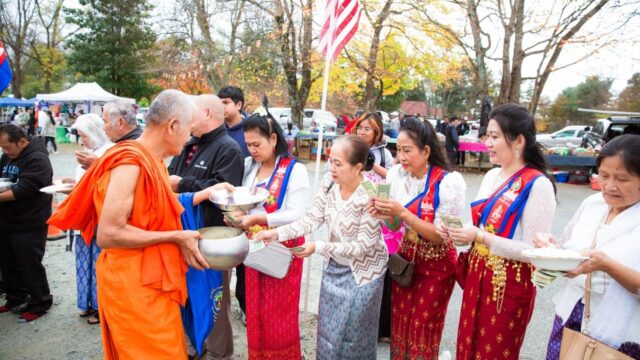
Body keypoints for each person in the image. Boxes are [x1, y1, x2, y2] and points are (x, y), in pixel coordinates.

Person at [48, 90, 209, 359]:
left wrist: (204, 195)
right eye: (188, 130)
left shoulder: (153, 161)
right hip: (133, 284)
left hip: (152, 279)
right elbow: (110, 233)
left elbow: (155, 203)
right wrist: (175, 237)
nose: (189, 138)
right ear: (173, 125)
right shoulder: (130, 162)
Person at [256, 135, 388, 359]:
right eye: (330, 161)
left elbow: (362, 246)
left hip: (364, 274)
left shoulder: (370, 195)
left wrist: (318, 246)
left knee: (354, 337)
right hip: (334, 267)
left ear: (357, 167)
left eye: (338, 164)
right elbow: (312, 219)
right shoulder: (329, 184)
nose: (332, 168)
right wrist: (276, 233)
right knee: (328, 331)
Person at [445, 103, 556, 360]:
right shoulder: (491, 175)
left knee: (494, 352)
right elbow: (480, 227)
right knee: (467, 345)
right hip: (477, 275)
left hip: (508, 286)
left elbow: (533, 252)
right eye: (487, 136)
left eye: (495, 137)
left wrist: (480, 236)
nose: (488, 143)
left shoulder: (538, 185)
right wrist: (461, 232)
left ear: (518, 140)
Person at [370, 119, 466, 358]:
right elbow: (394, 225)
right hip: (406, 264)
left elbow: (440, 236)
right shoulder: (396, 176)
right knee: (401, 327)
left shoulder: (448, 182)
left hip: (437, 267)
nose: (400, 156)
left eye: (407, 150)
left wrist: (402, 212)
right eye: (398, 150)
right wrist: (385, 215)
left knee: (423, 329)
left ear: (426, 151)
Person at [538, 134, 640, 360]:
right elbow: (568, 249)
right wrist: (551, 249)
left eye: (622, 179)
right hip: (570, 315)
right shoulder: (592, 204)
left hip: (618, 332)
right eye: (603, 176)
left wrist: (607, 266)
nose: (609, 186)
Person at [226, 106, 309, 359]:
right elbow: (244, 200)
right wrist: (236, 215)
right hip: (255, 245)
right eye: (248, 144)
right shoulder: (249, 166)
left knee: (279, 311)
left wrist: (259, 218)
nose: (251, 149)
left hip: (282, 245)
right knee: (256, 308)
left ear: (273, 139)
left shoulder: (295, 170)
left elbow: (297, 213)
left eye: (256, 144)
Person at [168, 94, 244, 360]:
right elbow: (169, 177)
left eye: (190, 113)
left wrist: (183, 185)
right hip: (182, 234)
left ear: (208, 114)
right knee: (185, 296)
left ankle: (219, 353)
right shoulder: (189, 144)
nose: (186, 120)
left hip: (212, 239)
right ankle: (192, 346)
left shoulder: (229, 148)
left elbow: (224, 192)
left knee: (215, 299)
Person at [0, 124, 53, 322]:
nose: (5, 151)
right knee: (8, 262)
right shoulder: (8, 155)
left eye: (7, 147)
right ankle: (15, 298)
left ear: (22, 142)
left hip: (30, 220)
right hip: (8, 220)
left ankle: (40, 302)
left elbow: (26, 188)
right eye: (2, 148)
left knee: (30, 264)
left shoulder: (37, 157)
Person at [69, 114, 114, 325]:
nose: (81, 140)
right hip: (83, 217)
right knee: (83, 261)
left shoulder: (107, 153)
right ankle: (86, 303)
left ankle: (101, 307)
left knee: (99, 263)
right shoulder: (91, 153)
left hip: (98, 219)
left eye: (83, 135)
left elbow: (108, 184)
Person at [75, 101, 141, 170]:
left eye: (105, 122)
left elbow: (125, 177)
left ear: (120, 122)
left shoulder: (132, 148)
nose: (103, 128)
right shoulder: (133, 142)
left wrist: (97, 165)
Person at [354, 112, 394, 182]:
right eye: (360, 128)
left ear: (376, 132)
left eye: (367, 129)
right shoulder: (349, 149)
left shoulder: (384, 153)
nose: (362, 132)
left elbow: (392, 176)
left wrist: (371, 164)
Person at [218, 86, 250, 158]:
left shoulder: (252, 127)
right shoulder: (216, 128)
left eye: (226, 102)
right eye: (220, 103)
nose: (222, 107)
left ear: (239, 105)